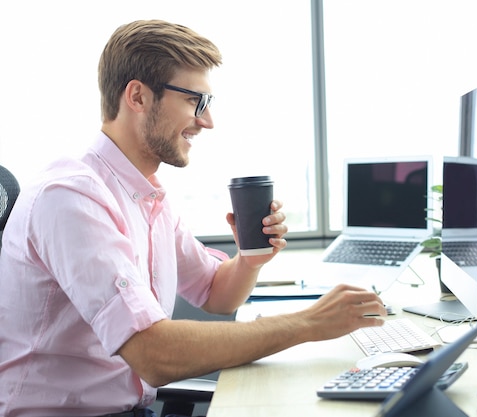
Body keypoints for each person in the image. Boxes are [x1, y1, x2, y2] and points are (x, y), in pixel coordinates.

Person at [0, 19, 386, 417]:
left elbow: (217, 294)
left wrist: (250, 258)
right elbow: (153, 353)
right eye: (194, 101)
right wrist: (307, 324)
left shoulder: (148, 196)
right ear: (138, 96)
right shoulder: (70, 197)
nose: (207, 121)